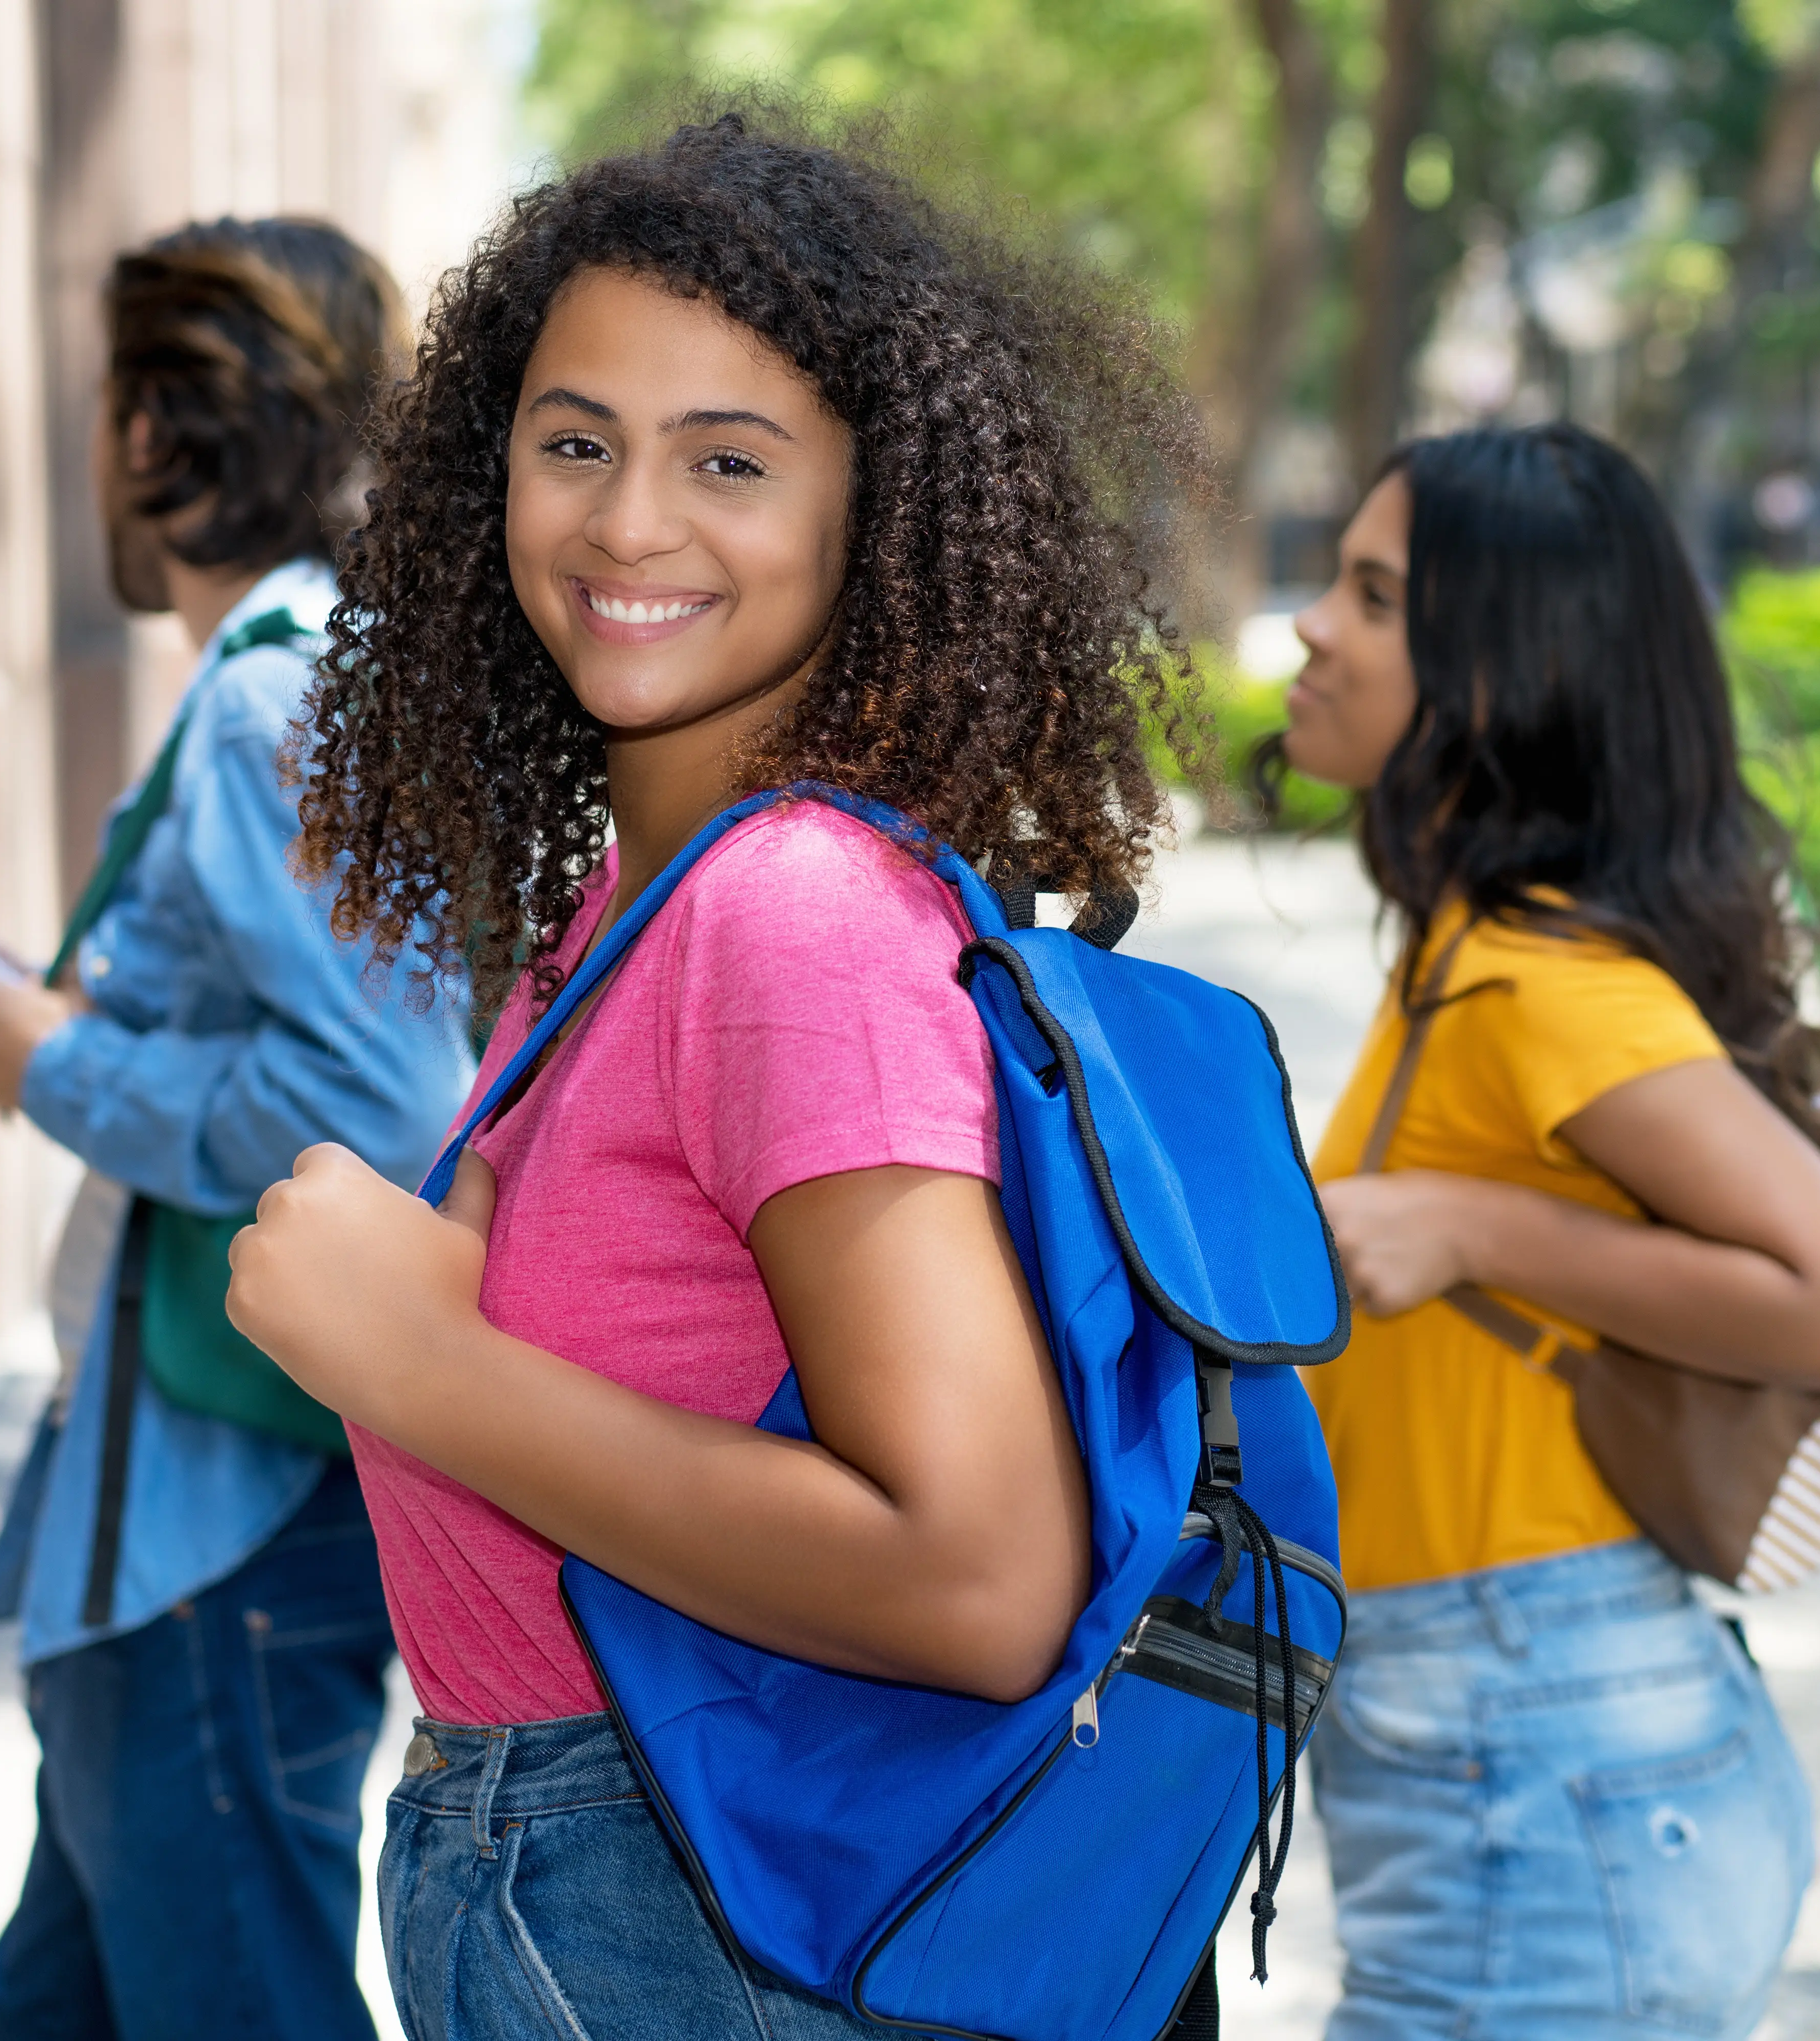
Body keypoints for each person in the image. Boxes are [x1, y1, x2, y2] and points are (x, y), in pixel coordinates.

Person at [212, 114, 1207, 2037]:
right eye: (573, 441)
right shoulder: (640, 904)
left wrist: (416, 1362)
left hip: (674, 1912)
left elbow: (982, 1577)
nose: (627, 524)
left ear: (874, 512)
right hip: (595, 1884)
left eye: (728, 463)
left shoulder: (790, 920)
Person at [0, 218, 476, 2037]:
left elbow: (375, 1099)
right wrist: (43, 1024)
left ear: (153, 438)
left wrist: (52, 1067)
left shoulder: (268, 700)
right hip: (205, 1498)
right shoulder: (324, 675)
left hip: (221, 1522)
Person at [1279, 421, 1820, 2041]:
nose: (1311, 628)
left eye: (1372, 595)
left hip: (1540, 1756)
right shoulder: (1466, 953)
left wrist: (1475, 1226)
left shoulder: (1542, 986)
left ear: (1497, 675)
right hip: (1510, 1747)